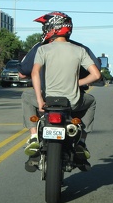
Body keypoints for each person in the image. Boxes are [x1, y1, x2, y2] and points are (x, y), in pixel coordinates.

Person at [20, 11, 101, 170]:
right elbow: (96, 75)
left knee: (25, 96)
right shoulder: (80, 50)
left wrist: (40, 100)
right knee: (91, 102)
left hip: (48, 101)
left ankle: (34, 137)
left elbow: (34, 73)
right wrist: (77, 83)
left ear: (52, 28)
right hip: (72, 103)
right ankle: (82, 142)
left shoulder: (43, 50)